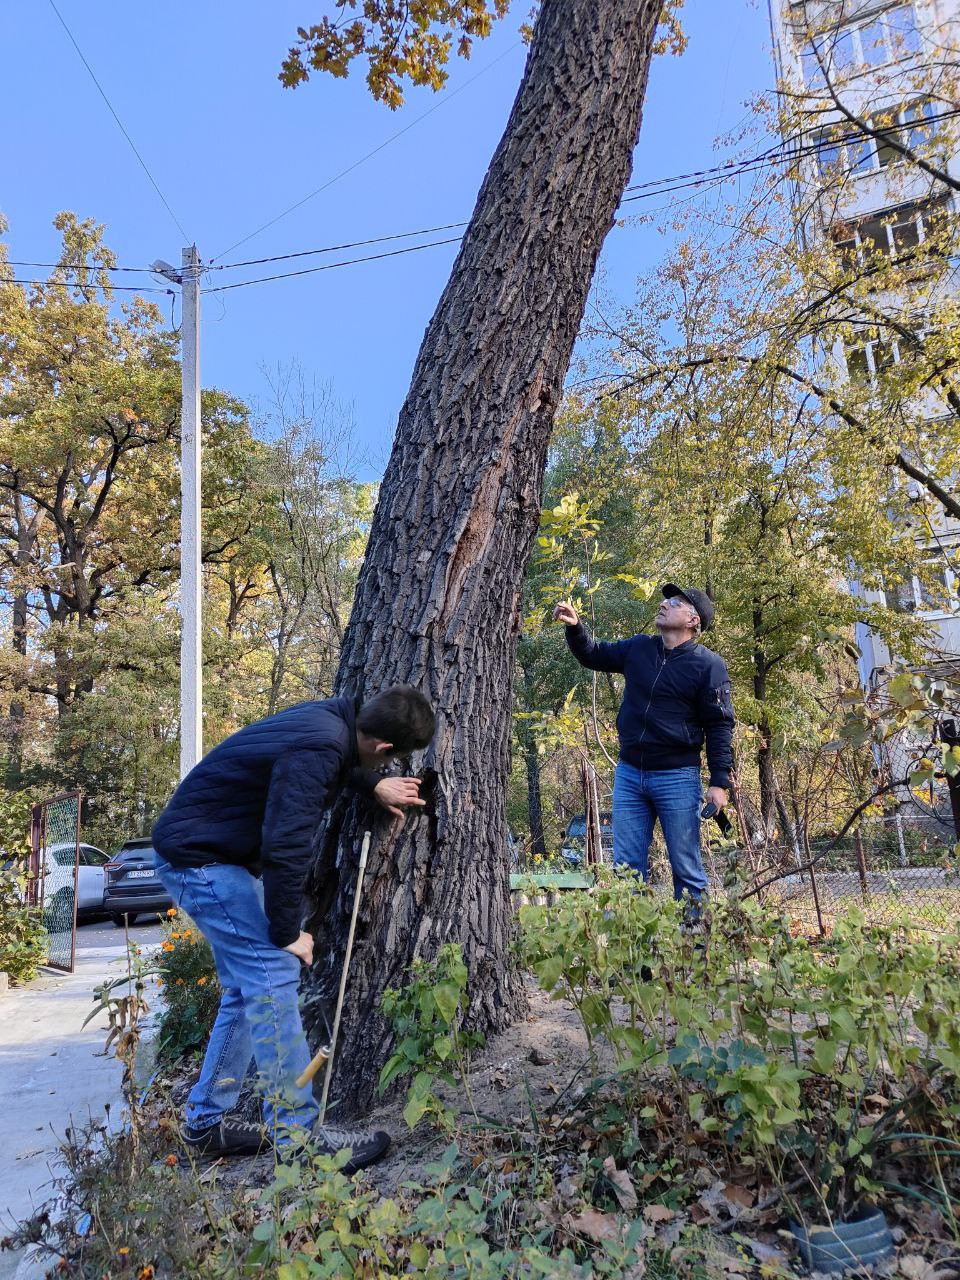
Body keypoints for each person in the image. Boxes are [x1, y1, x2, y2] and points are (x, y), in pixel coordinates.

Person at [151, 684, 435, 1168]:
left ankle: (203, 1124)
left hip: (205, 855)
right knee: (273, 973)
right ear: (384, 747)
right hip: (202, 863)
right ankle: (298, 1139)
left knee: (247, 989)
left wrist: (371, 784)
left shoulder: (335, 719)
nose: (387, 769)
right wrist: (287, 934)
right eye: (390, 763)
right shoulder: (321, 745)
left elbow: (323, 761)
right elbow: (285, 845)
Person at [553, 585, 734, 904]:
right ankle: (633, 949)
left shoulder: (709, 666)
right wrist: (576, 628)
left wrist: (719, 782)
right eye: (666, 600)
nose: (664, 604)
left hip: (677, 777)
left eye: (675, 602)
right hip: (629, 775)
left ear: (693, 620)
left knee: (686, 869)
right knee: (627, 870)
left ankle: (695, 947)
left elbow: (719, 725)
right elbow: (594, 654)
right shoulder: (639, 649)